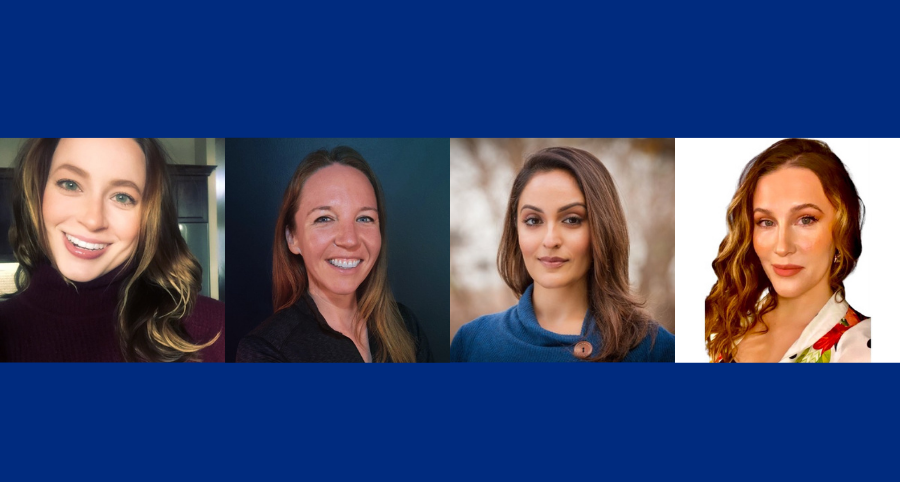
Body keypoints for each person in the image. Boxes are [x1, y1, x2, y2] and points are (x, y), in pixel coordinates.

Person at [0, 138, 224, 362]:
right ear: (37, 192)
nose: (93, 220)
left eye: (122, 197)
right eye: (70, 184)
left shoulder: (215, 330)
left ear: (150, 217)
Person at [451, 146, 674, 362]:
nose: (550, 240)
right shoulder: (473, 342)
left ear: (603, 228)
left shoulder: (656, 351)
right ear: (515, 230)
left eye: (571, 220)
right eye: (533, 221)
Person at [236, 146, 432, 362]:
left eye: (365, 218)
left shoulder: (407, 327)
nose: (349, 240)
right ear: (293, 238)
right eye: (325, 219)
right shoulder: (267, 350)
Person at [705, 139, 869, 363]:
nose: (782, 247)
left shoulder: (863, 349)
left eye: (806, 219)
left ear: (843, 227)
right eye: (766, 222)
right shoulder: (724, 331)